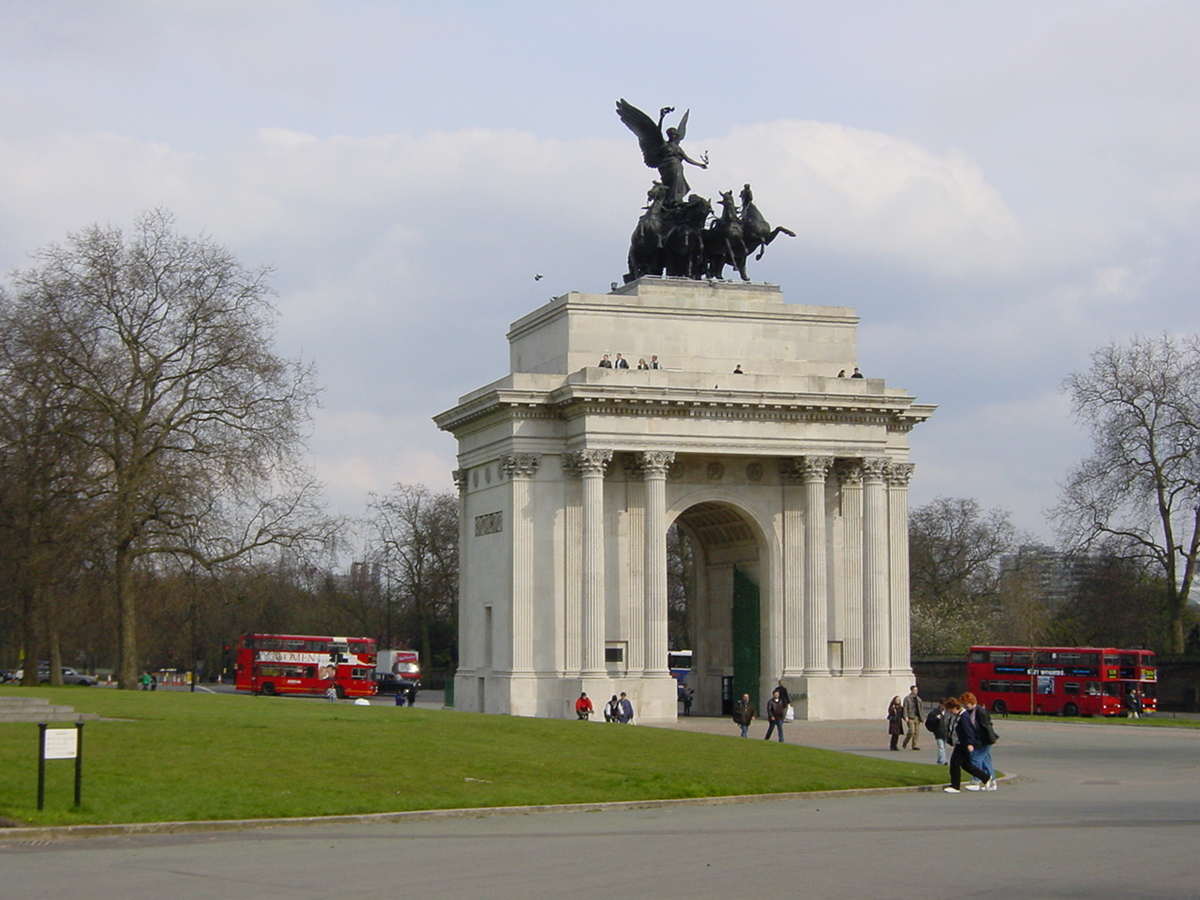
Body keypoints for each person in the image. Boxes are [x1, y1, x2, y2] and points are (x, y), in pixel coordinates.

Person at [945, 692, 993, 793]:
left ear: (954, 708)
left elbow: (969, 730)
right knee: (966, 764)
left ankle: (955, 786)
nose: (950, 712)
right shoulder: (962, 715)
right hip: (962, 742)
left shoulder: (963, 716)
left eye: (950, 710)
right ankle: (986, 778)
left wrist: (970, 743)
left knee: (954, 762)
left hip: (963, 743)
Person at [901, 684, 922, 751]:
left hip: (917, 717)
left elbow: (921, 709)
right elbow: (905, 708)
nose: (916, 691)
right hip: (910, 717)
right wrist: (905, 716)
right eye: (914, 690)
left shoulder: (918, 699)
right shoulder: (907, 698)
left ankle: (915, 745)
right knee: (911, 731)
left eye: (916, 690)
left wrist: (922, 717)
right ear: (911, 690)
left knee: (917, 732)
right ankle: (905, 742)